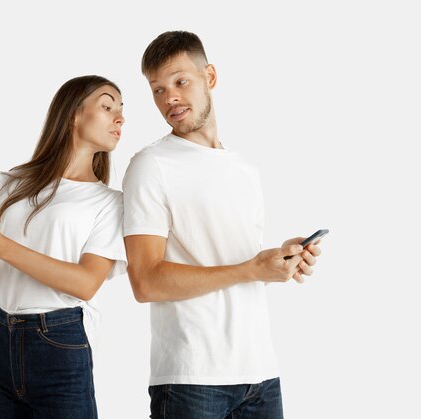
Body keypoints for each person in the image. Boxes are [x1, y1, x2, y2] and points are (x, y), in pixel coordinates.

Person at [122, 31, 323, 419]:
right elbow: (145, 281)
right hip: (191, 379)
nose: (170, 98)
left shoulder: (245, 169)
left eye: (180, 82)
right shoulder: (151, 166)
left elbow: (236, 263)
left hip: (261, 374)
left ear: (210, 77)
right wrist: (250, 268)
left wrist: (280, 261)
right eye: (158, 89)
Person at [0, 75, 126, 418]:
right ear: (73, 114)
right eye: (107, 106)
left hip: (61, 344)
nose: (120, 118)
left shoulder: (109, 203)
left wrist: (0, 245)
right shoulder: (8, 183)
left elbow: (86, 283)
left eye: (121, 110)